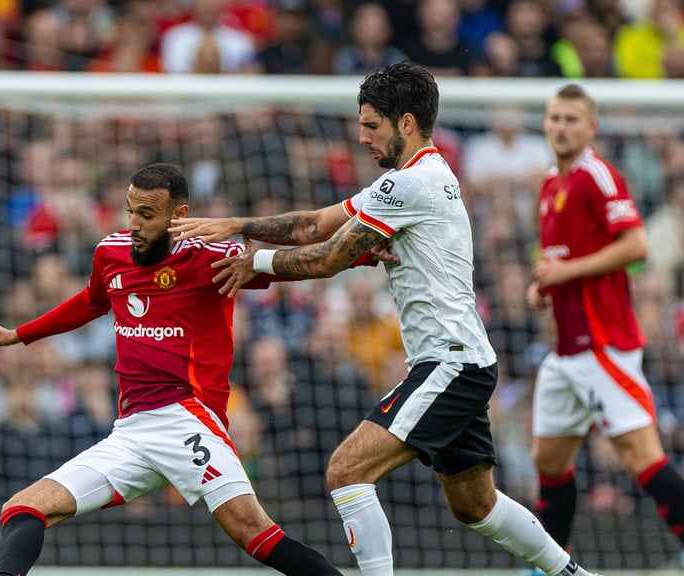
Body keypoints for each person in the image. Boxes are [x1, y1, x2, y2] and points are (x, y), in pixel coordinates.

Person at [170, 62, 601, 576]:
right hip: (464, 361)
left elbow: (326, 255)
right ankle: (573, 574)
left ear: (406, 123)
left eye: (371, 125)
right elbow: (316, 224)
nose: (361, 136)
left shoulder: (408, 186)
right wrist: (240, 224)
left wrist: (252, 260)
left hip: (450, 363)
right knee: (474, 505)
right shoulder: (420, 179)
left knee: (347, 470)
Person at [0, 163, 344, 576]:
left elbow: (299, 261)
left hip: (189, 417)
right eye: (130, 211)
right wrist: (18, 334)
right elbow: (93, 300)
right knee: (23, 507)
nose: (133, 224)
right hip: (131, 431)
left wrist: (360, 255)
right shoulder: (109, 253)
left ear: (178, 216)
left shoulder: (212, 258)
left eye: (146, 215)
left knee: (253, 533)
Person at [526, 84, 684, 576]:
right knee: (550, 461)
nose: (561, 126)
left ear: (591, 128)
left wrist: (567, 271)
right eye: (554, 118)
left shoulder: (597, 176)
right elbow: (559, 261)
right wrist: (544, 288)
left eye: (572, 119)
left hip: (605, 347)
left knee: (644, 460)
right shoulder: (549, 185)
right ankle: (553, 565)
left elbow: (637, 245)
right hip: (566, 351)